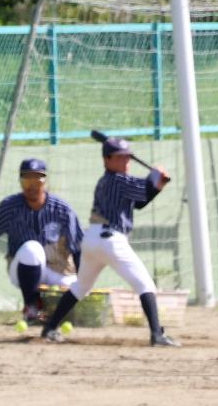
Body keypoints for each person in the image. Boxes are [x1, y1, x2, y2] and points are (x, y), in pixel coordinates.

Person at [38, 136, 178, 346]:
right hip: (110, 241)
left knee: (81, 287)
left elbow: (140, 202)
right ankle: (157, 335)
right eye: (120, 157)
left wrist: (156, 184)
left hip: (92, 239)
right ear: (107, 159)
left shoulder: (106, 181)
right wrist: (156, 177)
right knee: (146, 284)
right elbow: (144, 189)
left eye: (127, 157)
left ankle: (49, 328)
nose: (126, 161)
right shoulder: (119, 180)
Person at [0, 158, 83, 324]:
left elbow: (77, 247)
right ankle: (32, 307)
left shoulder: (62, 209)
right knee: (32, 248)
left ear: (46, 181)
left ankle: (51, 315)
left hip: (58, 269)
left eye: (37, 180)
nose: (32, 186)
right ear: (20, 182)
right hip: (22, 268)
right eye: (27, 180)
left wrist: (82, 281)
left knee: (74, 296)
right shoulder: (10, 206)